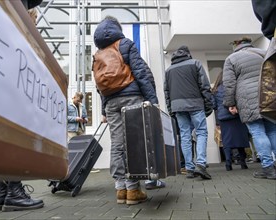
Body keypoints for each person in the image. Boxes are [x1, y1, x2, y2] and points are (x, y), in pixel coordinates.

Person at [93, 16, 164, 205]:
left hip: (111, 103)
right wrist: (152, 100)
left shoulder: (99, 53)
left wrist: (103, 111)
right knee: (133, 142)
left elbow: (100, 86)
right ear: (116, 27)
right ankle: (133, 190)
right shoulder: (125, 44)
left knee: (117, 144)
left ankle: (120, 189)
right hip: (131, 97)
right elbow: (140, 72)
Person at [0, 2, 45, 212]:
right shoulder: (18, 26)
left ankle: (1, 192)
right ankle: (13, 190)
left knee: (1, 133)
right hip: (13, 82)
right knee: (14, 133)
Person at [222, 37, 276, 180]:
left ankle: (268, 168)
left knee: (258, 132)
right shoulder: (264, 52)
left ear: (236, 45)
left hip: (248, 98)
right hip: (269, 94)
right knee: (272, 130)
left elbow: (229, 84)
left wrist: (230, 103)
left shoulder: (232, 58)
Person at [164, 45, 213, 180]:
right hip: (196, 103)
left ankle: (190, 168)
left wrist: (170, 110)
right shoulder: (195, 63)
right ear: (188, 54)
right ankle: (201, 164)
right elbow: (205, 86)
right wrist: (209, 104)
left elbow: (166, 92)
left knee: (185, 136)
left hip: (178, 107)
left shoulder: (168, 71)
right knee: (201, 132)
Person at [212, 71, 250, 171]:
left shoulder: (215, 90)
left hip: (223, 118)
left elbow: (214, 106)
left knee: (227, 141)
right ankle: (243, 163)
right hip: (237, 116)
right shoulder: (234, 87)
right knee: (240, 139)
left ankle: (228, 164)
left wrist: (217, 121)